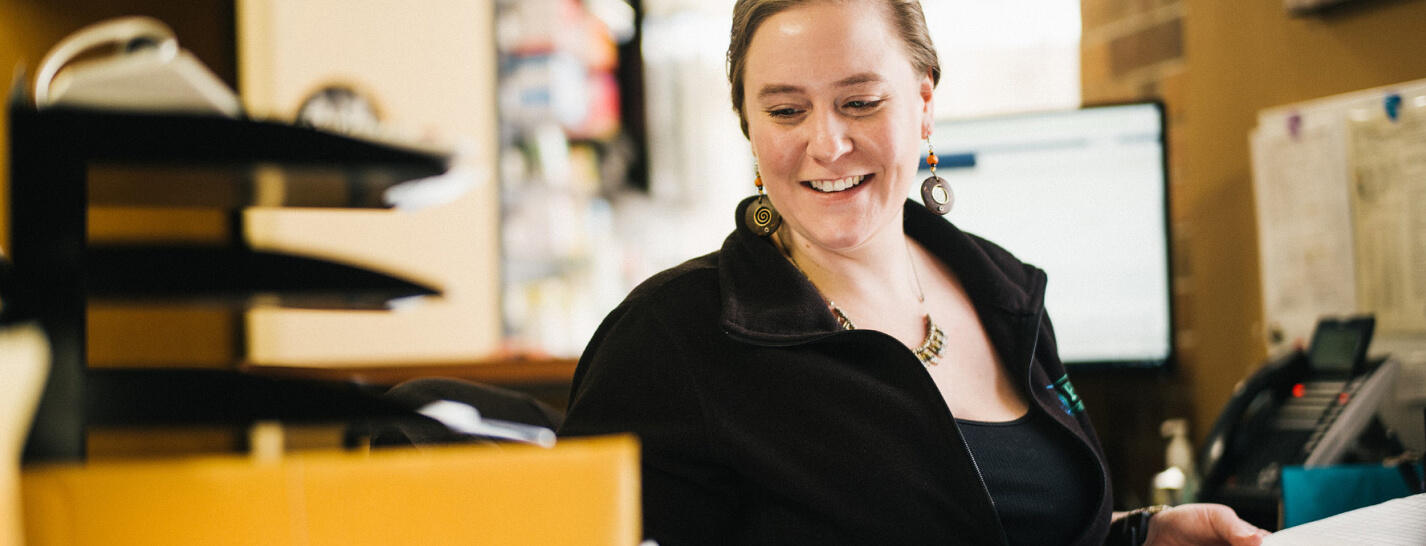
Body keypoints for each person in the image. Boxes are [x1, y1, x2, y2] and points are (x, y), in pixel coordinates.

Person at [559, 1, 1270, 544]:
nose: (827, 143)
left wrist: (1134, 536)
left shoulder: (1003, 289)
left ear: (924, 101)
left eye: (860, 102)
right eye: (784, 110)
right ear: (749, 124)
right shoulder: (667, 341)